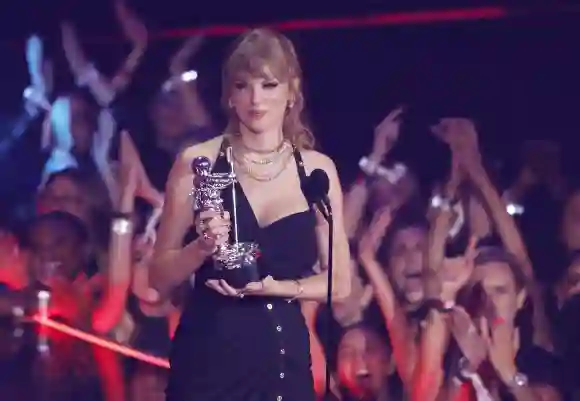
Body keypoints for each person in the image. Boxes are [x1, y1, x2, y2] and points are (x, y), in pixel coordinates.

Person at [151, 28, 352, 401]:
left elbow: (339, 283)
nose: (255, 98)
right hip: (208, 358)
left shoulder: (316, 171)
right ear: (229, 94)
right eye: (243, 85)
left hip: (281, 359)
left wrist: (272, 288)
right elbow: (158, 277)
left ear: (291, 91)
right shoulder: (198, 163)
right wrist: (201, 247)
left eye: (269, 84)